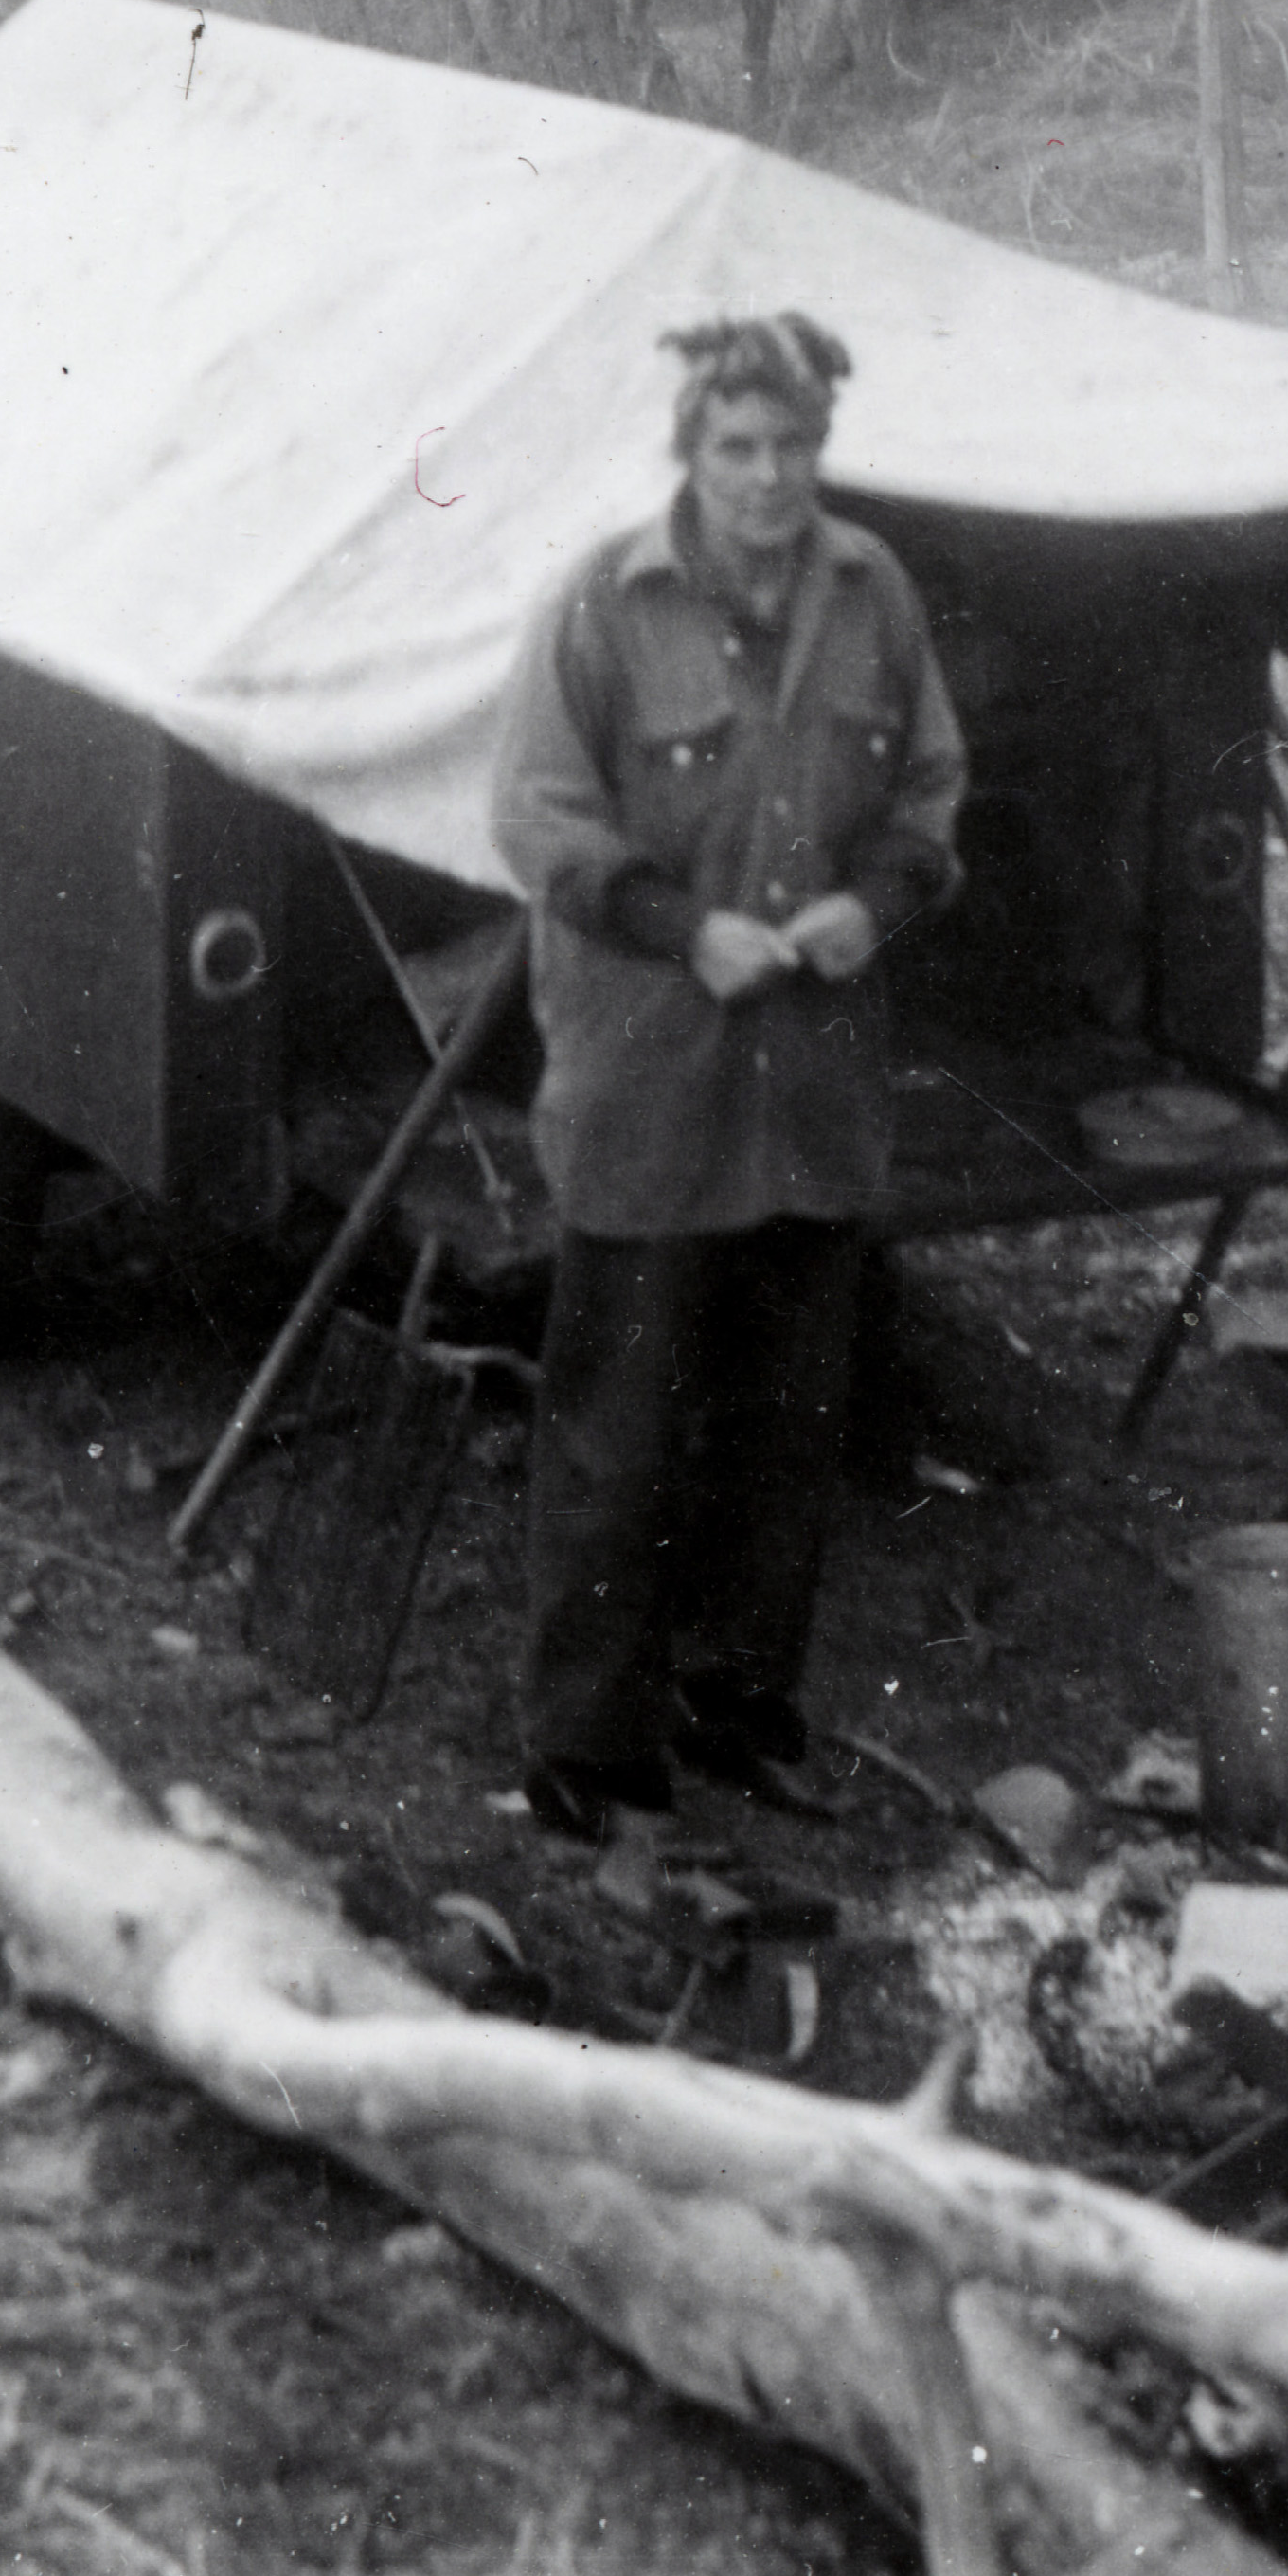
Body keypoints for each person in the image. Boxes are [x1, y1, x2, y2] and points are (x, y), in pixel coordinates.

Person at [489, 310, 967, 1848]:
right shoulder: (603, 604)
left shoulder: (872, 592)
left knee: (784, 1428)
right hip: (647, 1085)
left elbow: (927, 797)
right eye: (736, 447)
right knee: (619, 1433)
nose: (767, 477)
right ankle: (587, 1753)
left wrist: (869, 906)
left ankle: (740, 1711)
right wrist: (680, 929)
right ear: (688, 451)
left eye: (793, 447)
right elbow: (536, 818)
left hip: (810, 1093)